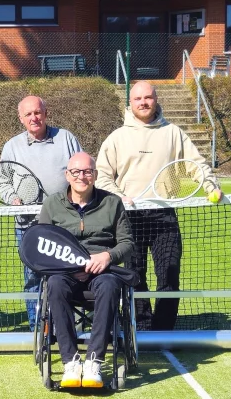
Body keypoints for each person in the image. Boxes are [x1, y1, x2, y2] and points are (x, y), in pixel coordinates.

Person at [95, 80, 222, 331]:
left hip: (164, 215)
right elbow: (102, 176)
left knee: (169, 273)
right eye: (138, 99)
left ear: (156, 99)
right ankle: (141, 329)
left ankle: (164, 332)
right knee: (134, 275)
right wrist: (120, 196)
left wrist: (210, 186)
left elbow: (196, 165)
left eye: (148, 98)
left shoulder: (173, 133)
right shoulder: (117, 137)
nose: (143, 103)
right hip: (128, 217)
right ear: (130, 103)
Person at [38, 152, 135, 389]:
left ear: (96, 174)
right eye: (76, 171)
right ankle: (71, 362)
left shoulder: (112, 203)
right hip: (65, 273)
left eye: (87, 171)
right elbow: (42, 246)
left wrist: (107, 256)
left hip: (103, 272)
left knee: (110, 285)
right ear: (67, 175)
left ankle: (94, 362)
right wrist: (71, 266)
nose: (82, 176)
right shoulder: (52, 204)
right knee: (54, 285)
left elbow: (127, 244)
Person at [0, 95, 82, 330]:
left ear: (46, 113)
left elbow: (81, 172)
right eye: (28, 114)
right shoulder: (12, 146)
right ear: (21, 118)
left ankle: (67, 326)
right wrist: (13, 198)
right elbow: (3, 180)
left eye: (37, 112)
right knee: (33, 278)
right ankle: (38, 327)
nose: (34, 117)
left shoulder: (66, 138)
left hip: (65, 223)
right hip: (28, 225)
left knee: (69, 275)